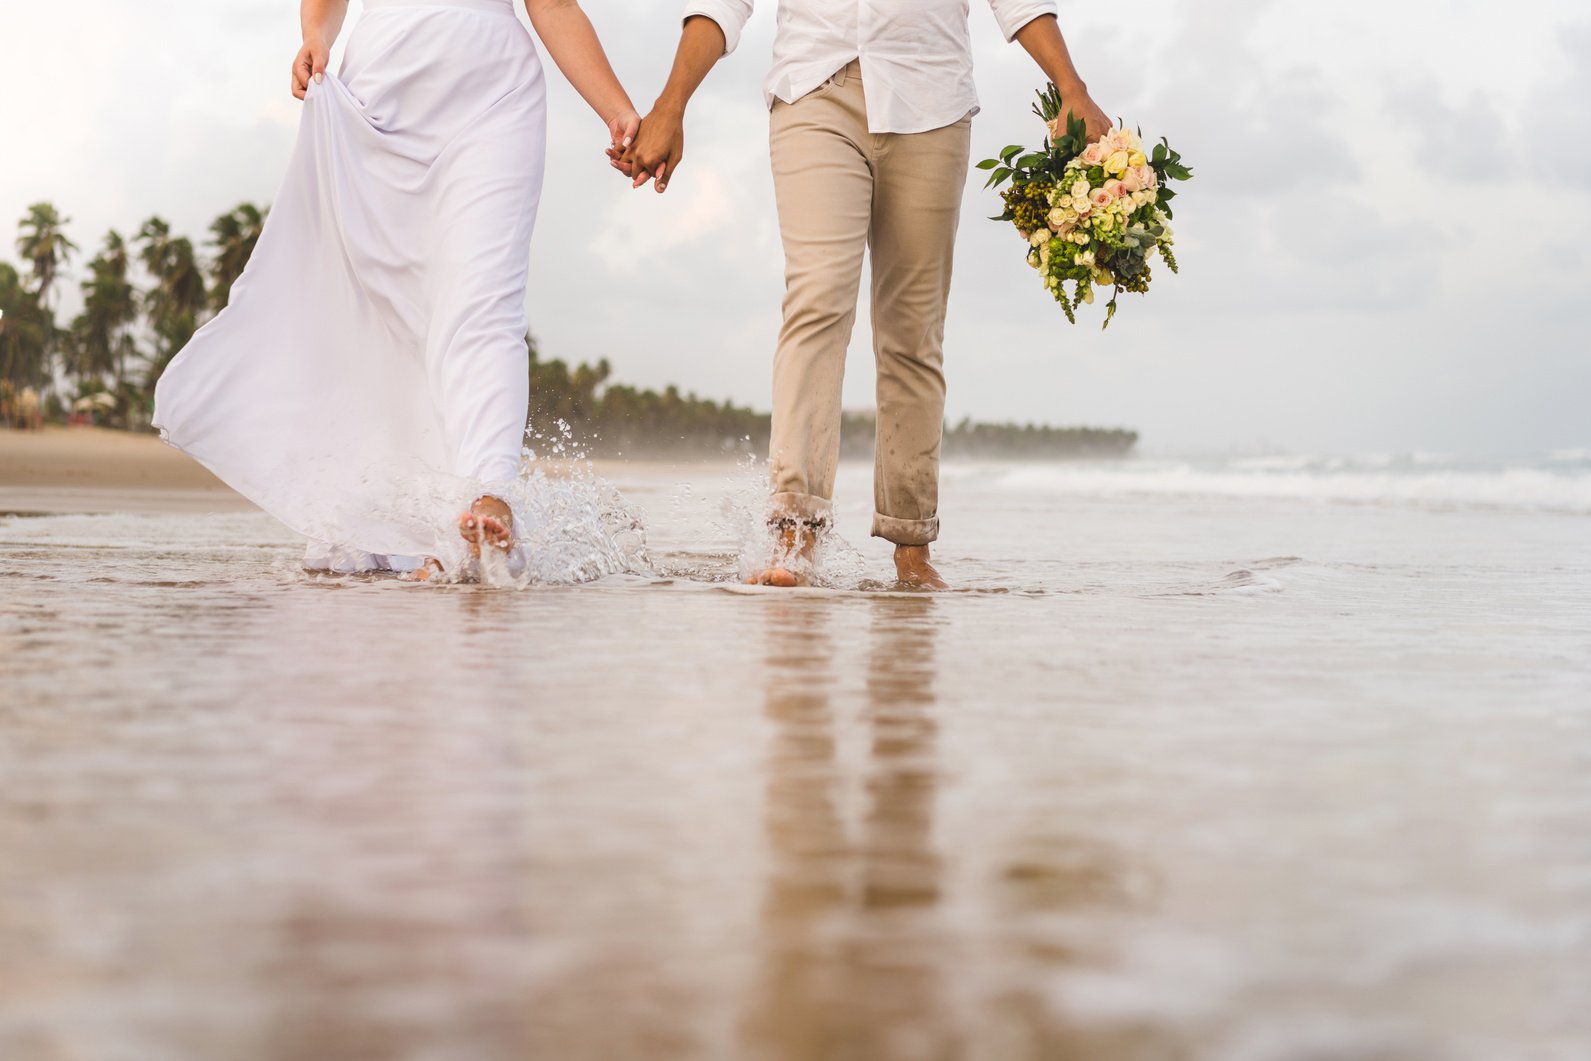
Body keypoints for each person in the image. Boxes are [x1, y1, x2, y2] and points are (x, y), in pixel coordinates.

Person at [618, 0, 1109, 589]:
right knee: (818, 295)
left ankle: (911, 546)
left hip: (931, 101)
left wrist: (1071, 85)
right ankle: (794, 532)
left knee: (912, 331)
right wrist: (672, 103)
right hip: (814, 92)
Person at [154, 0, 640, 579]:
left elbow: (552, 3)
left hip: (494, 88)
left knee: (486, 300)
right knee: (385, 311)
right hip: (381, 89)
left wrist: (617, 112)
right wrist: (314, 36)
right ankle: (413, 523)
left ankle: (490, 490)